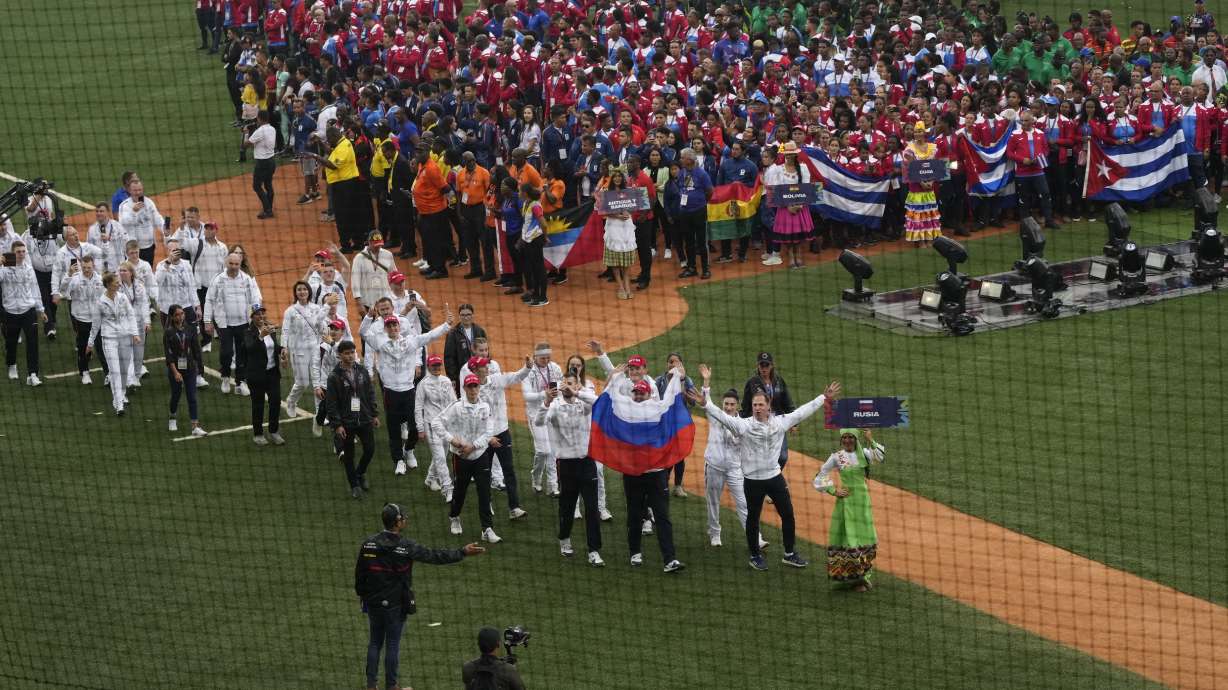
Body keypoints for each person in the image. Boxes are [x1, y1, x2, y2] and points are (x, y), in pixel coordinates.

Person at [700, 363, 841, 571]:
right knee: (752, 519)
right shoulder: (744, 425)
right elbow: (720, 415)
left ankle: (789, 553)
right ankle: (755, 556)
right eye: (754, 405)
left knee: (788, 514)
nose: (757, 407)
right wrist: (706, 403)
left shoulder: (780, 422)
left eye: (760, 404)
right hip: (752, 481)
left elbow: (802, 413)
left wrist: (823, 398)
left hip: (775, 477)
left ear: (768, 406)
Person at [354, 503, 484, 690]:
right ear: (397, 522)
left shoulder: (368, 544)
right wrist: (462, 552)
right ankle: (391, 686)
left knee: (374, 643)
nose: (406, 520)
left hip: (374, 602)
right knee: (392, 644)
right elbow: (434, 556)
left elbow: (360, 574)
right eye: (403, 518)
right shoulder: (407, 546)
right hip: (396, 604)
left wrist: (362, 595)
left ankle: (371, 686)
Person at [606, 367, 685, 573]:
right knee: (634, 514)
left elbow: (671, 399)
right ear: (632, 394)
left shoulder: (657, 408)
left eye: (642, 393)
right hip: (633, 473)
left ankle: (670, 559)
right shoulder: (625, 409)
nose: (639, 395)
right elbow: (611, 397)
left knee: (662, 516)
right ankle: (635, 553)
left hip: (656, 473)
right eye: (636, 393)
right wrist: (615, 377)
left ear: (649, 394)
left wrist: (676, 377)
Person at [374, 305, 454, 476]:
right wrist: (368, 318)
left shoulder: (411, 341)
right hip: (390, 393)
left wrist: (446, 325)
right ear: (385, 329)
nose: (393, 328)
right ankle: (399, 460)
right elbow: (364, 333)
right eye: (389, 326)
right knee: (394, 430)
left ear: (399, 326)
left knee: (415, 428)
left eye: (395, 325)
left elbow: (430, 335)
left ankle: (409, 449)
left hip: (409, 391)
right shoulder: (381, 343)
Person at [538, 372, 605, 566]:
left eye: (571, 383)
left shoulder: (583, 403)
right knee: (567, 507)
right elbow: (539, 422)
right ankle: (564, 538)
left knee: (592, 508)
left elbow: (599, 402)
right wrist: (546, 402)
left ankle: (594, 550)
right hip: (566, 465)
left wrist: (577, 393)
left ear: (577, 386)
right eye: (564, 383)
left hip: (587, 462)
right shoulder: (555, 406)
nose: (566, 386)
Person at [814, 429, 886, 592]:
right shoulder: (836, 457)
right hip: (846, 504)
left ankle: (863, 576)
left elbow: (880, 456)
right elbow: (820, 476)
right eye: (844, 437)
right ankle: (856, 579)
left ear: (856, 438)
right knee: (850, 539)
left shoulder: (865, 453)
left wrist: (870, 439)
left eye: (851, 437)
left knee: (866, 538)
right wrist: (833, 490)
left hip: (863, 503)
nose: (847, 440)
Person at [435, 373, 500, 542]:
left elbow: (488, 433)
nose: (473, 390)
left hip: (480, 456)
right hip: (461, 457)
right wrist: (451, 440)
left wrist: (473, 446)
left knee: (485, 492)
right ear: (464, 388)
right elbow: (436, 423)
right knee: (460, 491)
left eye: (475, 386)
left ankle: (487, 529)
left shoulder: (485, 407)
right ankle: (454, 517)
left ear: (479, 388)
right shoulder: (456, 407)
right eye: (470, 387)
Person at [471, 355, 532, 521]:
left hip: (502, 432)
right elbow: (473, 417)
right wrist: (488, 437)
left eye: (486, 365)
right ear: (475, 370)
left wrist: (527, 367)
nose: (487, 367)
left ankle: (514, 507)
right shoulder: (472, 389)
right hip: (484, 437)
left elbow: (516, 377)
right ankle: (486, 504)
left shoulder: (496, 379)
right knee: (484, 473)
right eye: (483, 366)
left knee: (509, 470)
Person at [325, 340, 380, 497]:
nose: (350, 356)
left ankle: (359, 472)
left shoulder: (362, 371)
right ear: (339, 355)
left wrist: (374, 414)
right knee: (349, 455)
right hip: (346, 421)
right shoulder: (334, 377)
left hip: (363, 417)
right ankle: (354, 485)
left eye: (352, 352)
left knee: (370, 449)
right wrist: (337, 425)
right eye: (347, 353)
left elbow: (370, 393)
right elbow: (331, 403)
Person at [205, 252, 263, 395]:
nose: (234, 266)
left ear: (240, 264)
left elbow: (255, 298)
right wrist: (207, 321)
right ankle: (225, 377)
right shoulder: (218, 279)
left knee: (242, 353)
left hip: (243, 323)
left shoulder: (246, 279)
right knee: (226, 353)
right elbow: (209, 300)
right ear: (227, 263)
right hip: (224, 324)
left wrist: (258, 315)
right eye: (231, 263)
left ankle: (240, 382)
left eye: (236, 264)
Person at [88, 272, 139, 414]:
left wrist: (135, 333)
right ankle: (118, 404)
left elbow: (131, 315)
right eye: (116, 282)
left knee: (124, 370)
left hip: (125, 337)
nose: (119, 283)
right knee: (115, 371)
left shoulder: (123, 297)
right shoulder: (100, 302)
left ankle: (122, 394)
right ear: (109, 285)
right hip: (109, 339)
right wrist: (90, 343)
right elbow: (95, 325)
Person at [1, 242, 47, 386]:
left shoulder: (29, 268)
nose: (21, 254)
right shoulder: (4, 269)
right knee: (11, 342)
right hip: (11, 312)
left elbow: (35, 289)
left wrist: (41, 310)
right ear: (12, 253)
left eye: (23, 251)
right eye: (18, 252)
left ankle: (32, 374)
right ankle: (12, 365)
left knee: (33, 343)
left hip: (29, 311)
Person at [740, 351, 795, 467]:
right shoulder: (752, 382)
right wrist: (742, 421)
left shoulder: (779, 381)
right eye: (762, 365)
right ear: (758, 366)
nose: (764, 368)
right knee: (759, 456)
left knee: (782, 457)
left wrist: (794, 423)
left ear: (772, 366)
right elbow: (745, 405)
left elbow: (787, 401)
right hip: (758, 423)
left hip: (777, 423)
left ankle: (774, 476)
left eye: (767, 365)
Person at [764, 142, 815, 268]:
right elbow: (776, 190)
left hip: (801, 206)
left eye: (792, 154)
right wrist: (788, 206)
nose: (789, 156)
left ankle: (799, 256)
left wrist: (800, 205)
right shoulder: (778, 170)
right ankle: (791, 257)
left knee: (800, 234)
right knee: (789, 235)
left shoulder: (803, 168)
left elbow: (806, 187)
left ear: (795, 154)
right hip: (785, 207)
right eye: (787, 154)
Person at [522, 342, 563, 496]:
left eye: (548, 357)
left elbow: (562, 386)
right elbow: (527, 396)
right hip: (536, 414)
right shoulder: (529, 371)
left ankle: (552, 486)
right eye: (542, 358)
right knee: (543, 450)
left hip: (552, 412)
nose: (546, 361)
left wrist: (558, 392)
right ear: (535, 356)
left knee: (553, 451)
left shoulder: (555, 368)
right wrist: (544, 394)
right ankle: (536, 477)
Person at [243, 304, 287, 446]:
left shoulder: (269, 329)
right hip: (256, 375)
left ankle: (273, 431)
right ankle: (258, 434)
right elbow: (250, 349)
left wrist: (282, 350)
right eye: (257, 314)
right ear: (252, 317)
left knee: (276, 401)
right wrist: (261, 336)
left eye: (262, 313)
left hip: (272, 373)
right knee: (258, 404)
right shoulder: (248, 332)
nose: (261, 316)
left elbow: (274, 347)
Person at [282, 280, 326, 418]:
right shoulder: (290, 311)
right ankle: (291, 401)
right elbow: (285, 330)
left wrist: (324, 331)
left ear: (309, 291)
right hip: (298, 351)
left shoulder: (316, 308)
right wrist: (284, 347)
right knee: (302, 383)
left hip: (315, 349)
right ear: (295, 293)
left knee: (318, 381)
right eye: (299, 289)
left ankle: (320, 413)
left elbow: (321, 326)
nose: (302, 292)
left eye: (304, 289)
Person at [416, 354, 457, 502]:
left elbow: (454, 402)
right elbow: (418, 407)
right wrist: (420, 428)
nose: (437, 368)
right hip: (431, 425)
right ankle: (448, 489)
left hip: (446, 426)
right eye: (434, 365)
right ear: (428, 367)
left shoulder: (446, 381)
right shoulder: (423, 384)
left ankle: (430, 478)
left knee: (442, 456)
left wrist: (456, 422)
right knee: (440, 458)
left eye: (438, 365)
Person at [668, 147, 714, 280]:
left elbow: (710, 191)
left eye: (682, 158)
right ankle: (692, 268)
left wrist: (701, 202)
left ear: (690, 159)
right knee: (688, 242)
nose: (680, 160)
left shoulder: (702, 174)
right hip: (684, 212)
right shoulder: (682, 173)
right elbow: (682, 187)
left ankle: (705, 269)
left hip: (698, 211)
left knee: (701, 241)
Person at [656, 352, 696, 497]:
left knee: (680, 455)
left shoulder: (687, 380)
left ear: (681, 364)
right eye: (671, 362)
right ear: (667, 364)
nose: (673, 364)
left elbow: (692, 402)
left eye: (677, 362)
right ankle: (664, 484)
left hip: (680, 425)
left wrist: (683, 381)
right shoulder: (659, 381)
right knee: (664, 454)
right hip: (664, 424)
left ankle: (678, 486)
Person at [164, 304, 207, 436]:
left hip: (189, 367)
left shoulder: (190, 329)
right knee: (176, 395)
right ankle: (172, 417)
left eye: (182, 313)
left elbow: (196, 349)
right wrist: (175, 372)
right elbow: (169, 356)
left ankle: (195, 426)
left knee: (192, 396)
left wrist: (199, 367)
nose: (180, 317)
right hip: (176, 368)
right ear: (172, 317)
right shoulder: (168, 333)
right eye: (177, 315)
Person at [598, 168, 638, 300]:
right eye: (615, 177)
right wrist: (618, 216)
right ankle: (620, 287)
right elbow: (603, 211)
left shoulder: (628, 192)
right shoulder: (606, 193)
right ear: (612, 179)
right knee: (615, 260)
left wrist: (628, 212)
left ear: (622, 178)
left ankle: (627, 286)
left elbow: (634, 206)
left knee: (625, 260)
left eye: (619, 176)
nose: (617, 178)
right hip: (613, 227)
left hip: (626, 226)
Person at [902, 121, 942, 248]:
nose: (917, 134)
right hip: (916, 186)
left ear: (924, 132)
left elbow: (936, 166)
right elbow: (910, 169)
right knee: (918, 214)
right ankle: (920, 240)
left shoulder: (933, 147)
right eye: (915, 132)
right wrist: (922, 182)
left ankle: (929, 237)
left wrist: (930, 182)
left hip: (929, 186)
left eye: (920, 131)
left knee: (929, 212)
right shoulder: (909, 149)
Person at [462, 628, 527, 690]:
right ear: (498, 644)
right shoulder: (508, 670)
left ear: (478, 644)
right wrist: (508, 666)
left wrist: (502, 662)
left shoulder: (467, 667)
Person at [116, 179, 162, 266]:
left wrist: (165, 229)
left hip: (148, 247)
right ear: (130, 191)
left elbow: (157, 218)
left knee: (147, 269)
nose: (138, 193)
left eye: (140, 190)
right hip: (132, 248)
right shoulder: (125, 205)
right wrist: (133, 211)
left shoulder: (149, 203)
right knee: (131, 271)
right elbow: (123, 223)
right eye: (135, 190)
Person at [351, 231, 398, 317]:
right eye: (375, 244)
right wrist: (359, 304)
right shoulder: (359, 258)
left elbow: (394, 275)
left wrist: (396, 297)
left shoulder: (388, 255)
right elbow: (355, 282)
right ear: (369, 242)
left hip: (385, 302)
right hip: (368, 302)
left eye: (380, 245)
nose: (378, 247)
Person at [443, 303, 485, 394]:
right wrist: (452, 378)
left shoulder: (479, 331)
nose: (466, 317)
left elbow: (485, 352)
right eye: (463, 315)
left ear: (473, 315)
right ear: (459, 316)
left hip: (478, 372)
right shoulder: (453, 334)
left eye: (468, 314)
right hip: (461, 375)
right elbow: (449, 358)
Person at [243, 109, 278, 219]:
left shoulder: (260, 131)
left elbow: (245, 145)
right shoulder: (272, 129)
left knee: (257, 186)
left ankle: (268, 210)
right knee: (268, 185)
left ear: (259, 118)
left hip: (262, 163)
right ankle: (269, 208)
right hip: (271, 161)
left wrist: (246, 133)